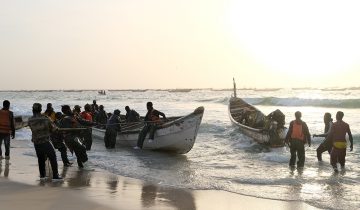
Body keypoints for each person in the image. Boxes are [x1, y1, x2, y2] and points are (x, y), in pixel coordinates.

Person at [28, 103, 62, 181]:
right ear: (40, 109)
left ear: (33, 110)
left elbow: (32, 128)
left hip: (36, 142)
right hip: (45, 141)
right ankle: (55, 175)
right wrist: (56, 129)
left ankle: (42, 175)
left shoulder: (30, 119)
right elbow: (53, 129)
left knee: (40, 158)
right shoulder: (46, 118)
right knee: (52, 156)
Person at [60, 105, 89, 169]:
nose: (70, 110)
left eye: (70, 109)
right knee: (82, 148)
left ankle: (81, 166)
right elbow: (66, 129)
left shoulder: (74, 116)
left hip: (77, 136)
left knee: (78, 151)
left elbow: (82, 121)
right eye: (69, 109)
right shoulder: (64, 119)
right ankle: (84, 164)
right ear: (65, 111)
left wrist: (92, 123)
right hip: (71, 137)